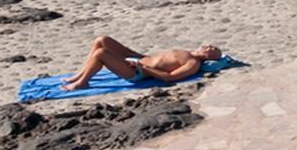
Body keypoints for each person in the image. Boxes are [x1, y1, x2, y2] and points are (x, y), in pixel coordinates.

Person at [59, 38, 222, 91]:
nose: (209, 46)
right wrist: (139, 58)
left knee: (101, 54)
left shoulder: (192, 63)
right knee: (102, 40)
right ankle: (81, 74)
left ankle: (83, 82)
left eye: (212, 49)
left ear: (210, 58)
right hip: (140, 59)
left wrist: (143, 67)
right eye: (210, 45)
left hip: (139, 72)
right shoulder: (187, 52)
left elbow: (169, 78)